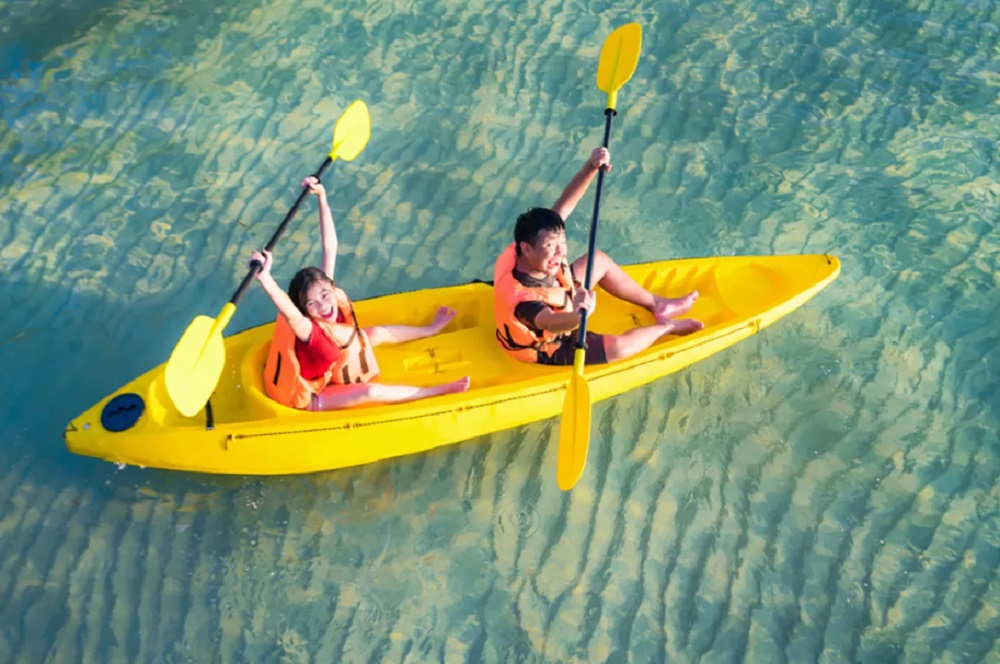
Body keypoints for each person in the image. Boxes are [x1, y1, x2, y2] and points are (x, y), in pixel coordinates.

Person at [251, 175, 470, 411]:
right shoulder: (309, 332)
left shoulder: (328, 296)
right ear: (305, 311)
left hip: (325, 368)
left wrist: (322, 198)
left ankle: (429, 330)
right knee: (371, 391)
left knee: (375, 333)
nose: (324, 306)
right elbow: (292, 316)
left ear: (329, 288)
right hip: (305, 397)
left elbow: (330, 247)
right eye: (312, 304)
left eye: (325, 295)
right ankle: (435, 391)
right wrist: (265, 278)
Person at [494, 147, 704, 366]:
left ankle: (657, 304)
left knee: (598, 260)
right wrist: (578, 315)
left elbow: (565, 204)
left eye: (562, 244)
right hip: (548, 345)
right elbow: (551, 322)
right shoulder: (525, 303)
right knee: (618, 348)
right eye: (551, 246)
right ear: (526, 249)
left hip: (560, 296)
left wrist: (591, 167)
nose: (560, 252)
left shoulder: (531, 244)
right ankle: (667, 326)